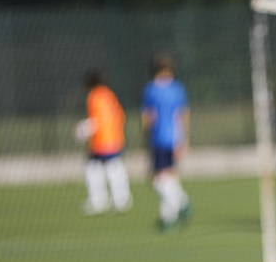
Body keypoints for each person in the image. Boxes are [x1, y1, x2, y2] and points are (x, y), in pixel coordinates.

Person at [141, 54, 191, 231]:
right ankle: (168, 216)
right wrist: (184, 139)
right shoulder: (177, 88)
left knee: (156, 179)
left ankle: (178, 204)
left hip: (158, 139)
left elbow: (148, 118)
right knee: (169, 176)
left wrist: (145, 139)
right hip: (175, 138)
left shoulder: (150, 90)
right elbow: (182, 115)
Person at [77, 70, 132, 215]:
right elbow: (120, 116)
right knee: (114, 169)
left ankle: (99, 201)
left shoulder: (94, 96)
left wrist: (84, 130)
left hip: (101, 141)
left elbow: (96, 120)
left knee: (94, 170)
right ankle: (121, 199)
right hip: (115, 138)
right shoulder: (109, 95)